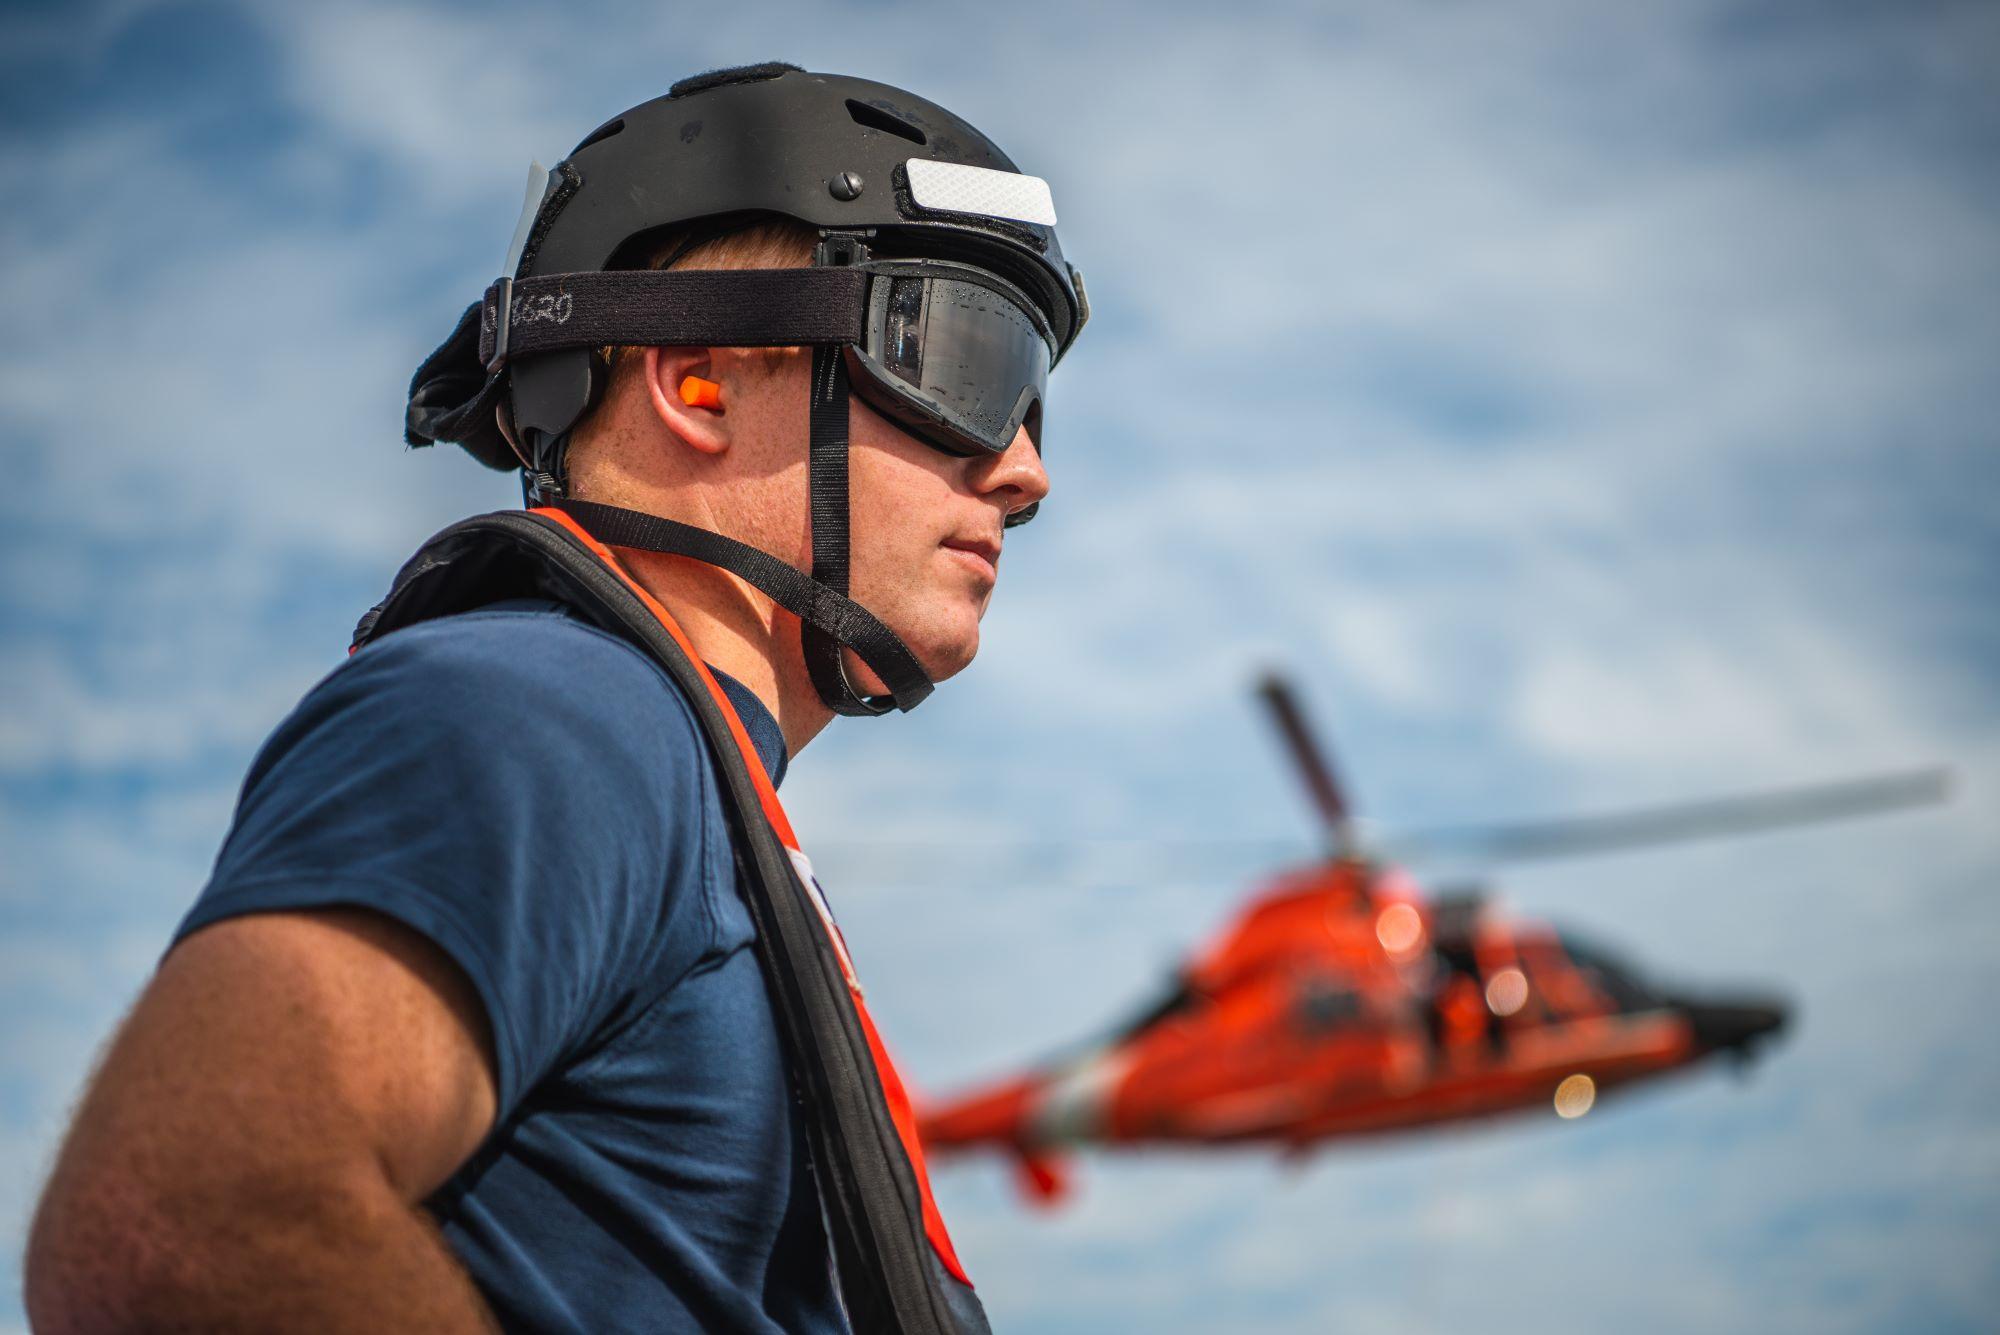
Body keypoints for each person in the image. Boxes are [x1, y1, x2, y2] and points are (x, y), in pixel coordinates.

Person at [25, 63, 1087, 1333]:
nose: (1022, 470)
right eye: (962, 359)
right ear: (696, 382)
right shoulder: (545, 712)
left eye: (1030, 398)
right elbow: (183, 1228)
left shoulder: (664, 769)